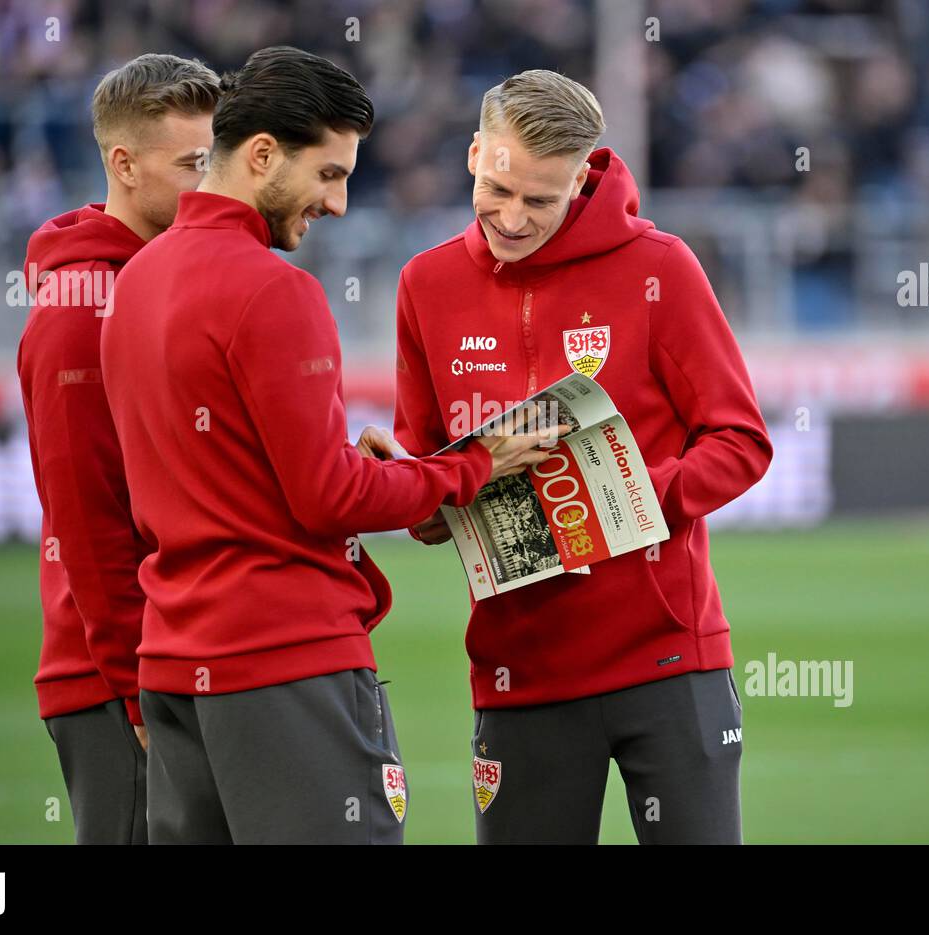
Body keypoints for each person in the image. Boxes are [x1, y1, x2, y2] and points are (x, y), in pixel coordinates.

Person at [99, 46, 559, 844]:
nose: (340, 203)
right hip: (283, 661)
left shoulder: (135, 281)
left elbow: (229, 474)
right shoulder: (276, 291)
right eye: (330, 174)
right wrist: (471, 466)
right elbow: (329, 496)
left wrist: (372, 470)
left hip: (175, 659)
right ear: (264, 153)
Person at [393, 70, 772, 844]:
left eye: (541, 199)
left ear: (583, 177)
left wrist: (625, 499)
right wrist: (419, 503)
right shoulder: (424, 285)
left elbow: (742, 442)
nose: (513, 217)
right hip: (517, 671)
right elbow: (425, 467)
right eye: (498, 188)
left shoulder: (661, 268)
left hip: (669, 660)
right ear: (473, 154)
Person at [17, 53, 221, 844]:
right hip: (121, 674)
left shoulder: (162, 279)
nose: (210, 185)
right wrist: (139, 688)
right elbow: (85, 513)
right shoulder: (77, 311)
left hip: (177, 653)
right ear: (123, 164)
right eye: (191, 165)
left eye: (216, 158)